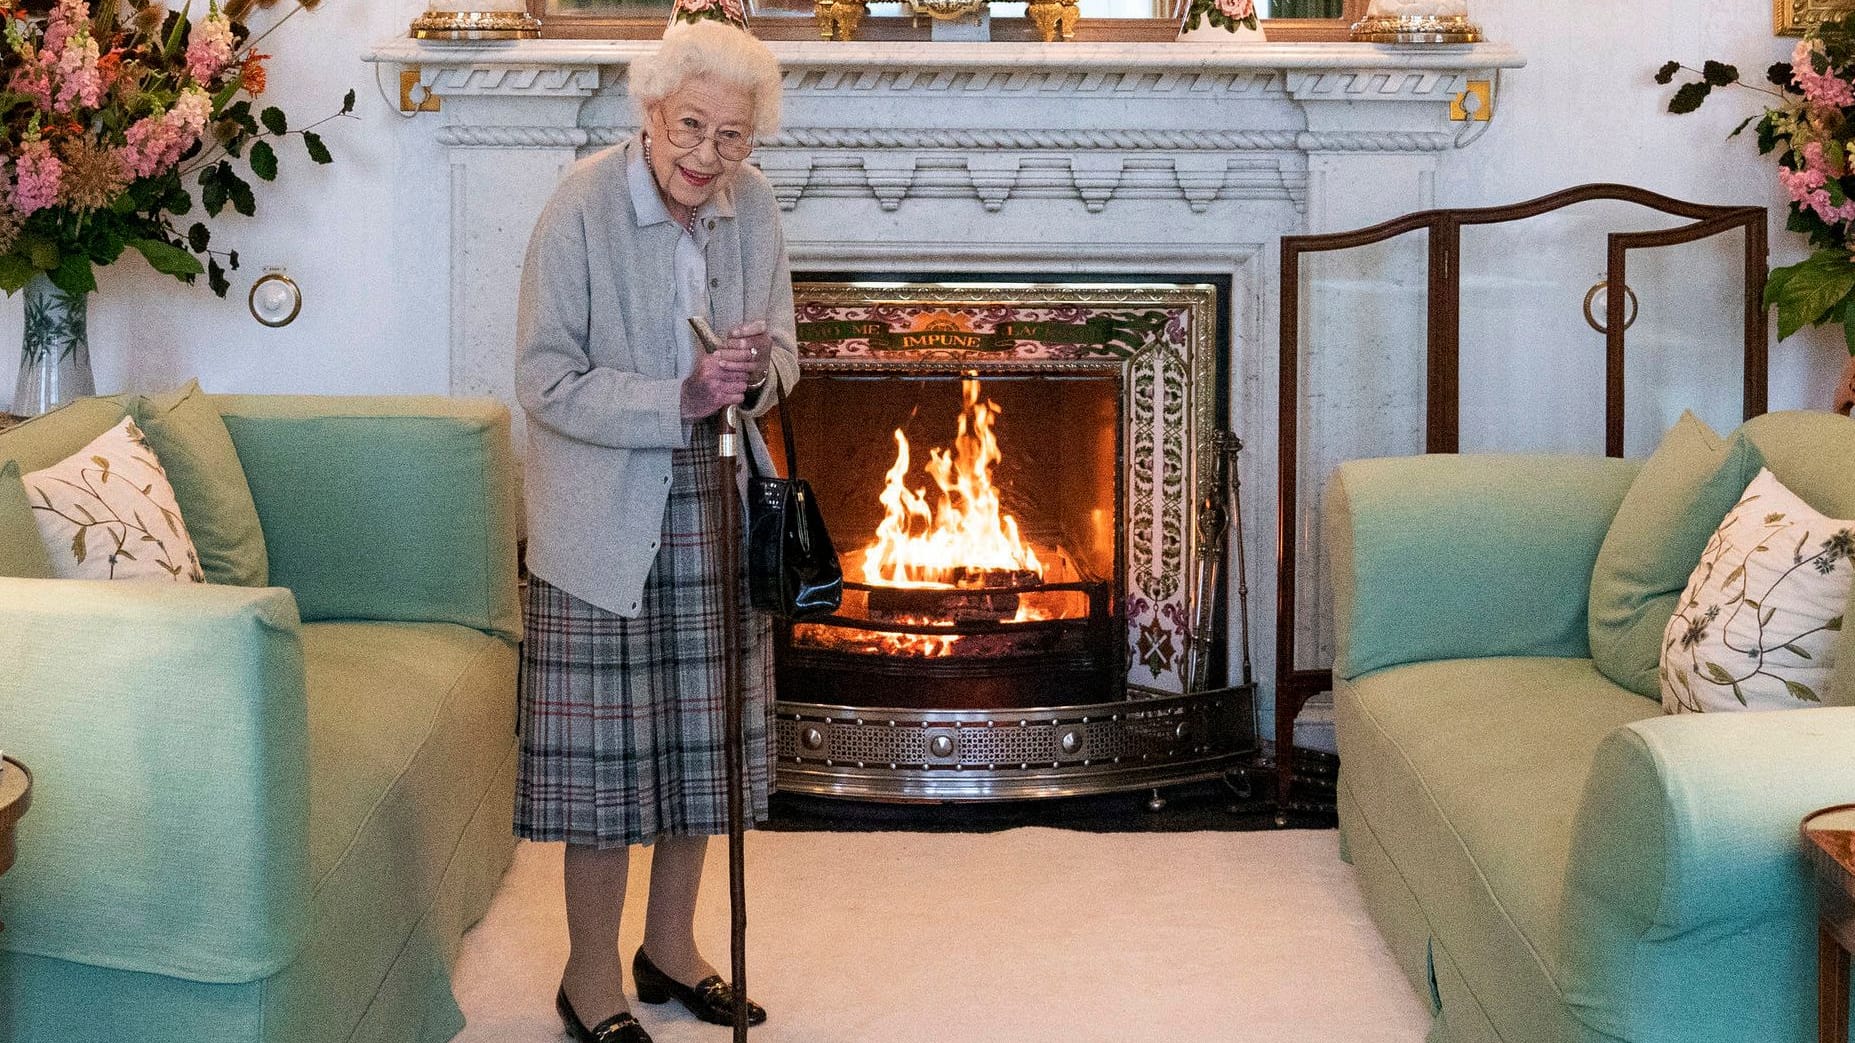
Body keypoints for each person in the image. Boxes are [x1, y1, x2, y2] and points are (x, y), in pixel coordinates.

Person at [512, 19, 795, 1043]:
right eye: (690, 127)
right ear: (650, 112)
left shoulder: (753, 208)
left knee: (698, 749)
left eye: (732, 137)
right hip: (600, 519)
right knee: (604, 774)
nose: (706, 157)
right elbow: (543, 380)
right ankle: (589, 978)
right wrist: (676, 396)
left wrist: (753, 373)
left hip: (717, 504)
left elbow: (785, 358)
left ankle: (670, 948)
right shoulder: (582, 204)